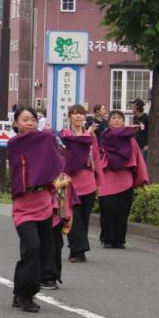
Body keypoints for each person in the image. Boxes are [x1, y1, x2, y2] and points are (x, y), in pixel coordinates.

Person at [7, 107, 70, 313]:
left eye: (33, 119)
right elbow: (28, 171)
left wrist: (57, 185)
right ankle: (26, 294)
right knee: (31, 247)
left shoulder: (44, 142)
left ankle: (20, 291)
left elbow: (51, 164)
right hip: (24, 207)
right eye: (25, 120)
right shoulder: (15, 143)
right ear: (15, 123)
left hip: (43, 203)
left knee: (41, 251)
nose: (30, 123)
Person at [97, 110, 149, 249]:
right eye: (113, 118)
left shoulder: (130, 140)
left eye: (119, 118)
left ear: (123, 121)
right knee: (108, 209)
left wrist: (142, 180)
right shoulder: (104, 137)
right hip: (108, 178)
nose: (117, 120)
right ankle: (107, 239)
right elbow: (97, 157)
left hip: (125, 179)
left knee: (122, 211)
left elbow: (138, 159)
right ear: (109, 122)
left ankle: (120, 240)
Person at [61, 104, 100, 264]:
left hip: (89, 181)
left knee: (84, 218)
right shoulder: (65, 134)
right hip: (71, 182)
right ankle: (77, 251)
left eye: (81, 114)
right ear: (69, 117)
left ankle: (77, 249)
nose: (78, 117)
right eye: (74, 114)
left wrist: (99, 181)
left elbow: (96, 157)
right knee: (73, 217)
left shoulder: (92, 137)